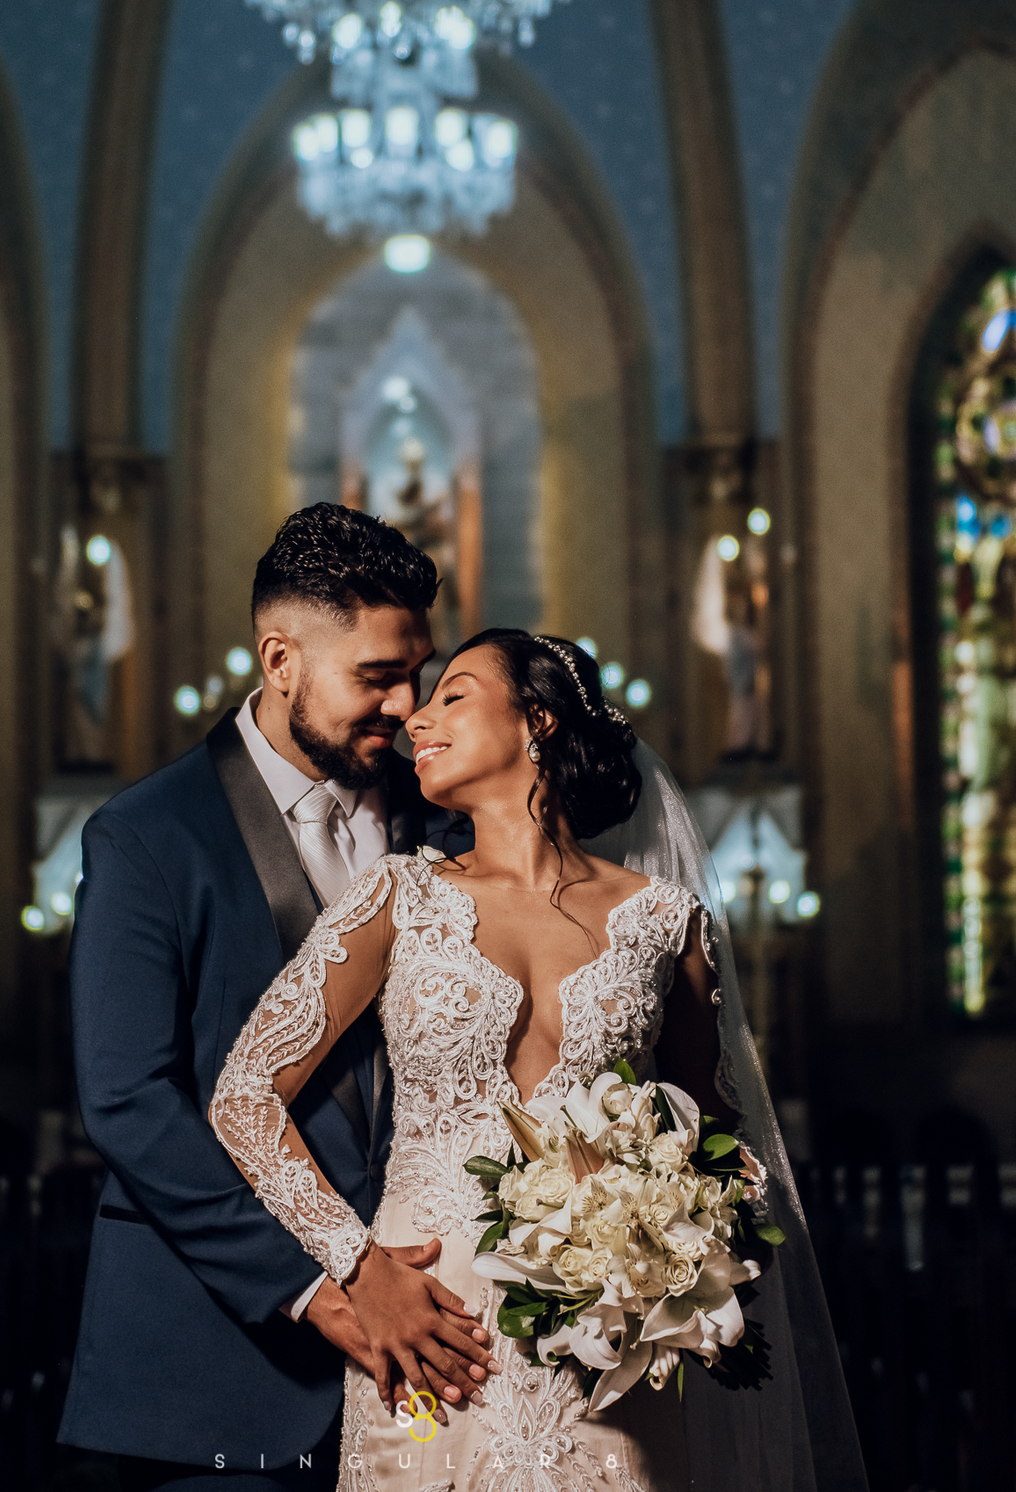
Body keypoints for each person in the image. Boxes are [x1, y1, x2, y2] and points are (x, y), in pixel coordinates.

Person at [210, 630, 868, 1491]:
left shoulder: (666, 922)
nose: (416, 720)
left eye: (453, 694)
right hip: (428, 1328)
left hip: (613, 1344)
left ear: (539, 722)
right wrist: (358, 1265)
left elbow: (722, 1146)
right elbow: (243, 1096)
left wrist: (682, 1257)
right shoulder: (396, 899)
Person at [59, 506, 496, 1491]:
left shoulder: (453, 827)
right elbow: (127, 1099)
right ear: (281, 659)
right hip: (219, 1362)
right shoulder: (144, 837)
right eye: (376, 677)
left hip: (438, 1364)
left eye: (417, 673)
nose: (407, 705)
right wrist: (324, 1288)